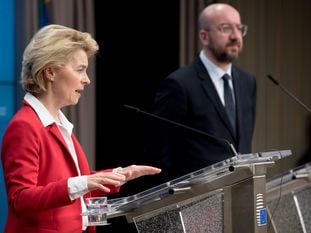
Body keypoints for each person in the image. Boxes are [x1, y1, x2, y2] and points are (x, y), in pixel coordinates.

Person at [1, 24, 161, 233]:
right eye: (80, 69)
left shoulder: (58, 122)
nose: (87, 79)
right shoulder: (25, 126)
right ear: (50, 72)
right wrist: (84, 182)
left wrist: (117, 175)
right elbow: (21, 199)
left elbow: (72, 187)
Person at [144, 3, 256, 184]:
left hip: (239, 193)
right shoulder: (179, 83)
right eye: (225, 28)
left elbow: (242, 143)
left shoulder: (247, 82)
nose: (236, 36)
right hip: (195, 199)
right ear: (204, 37)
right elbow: (158, 153)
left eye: (239, 28)